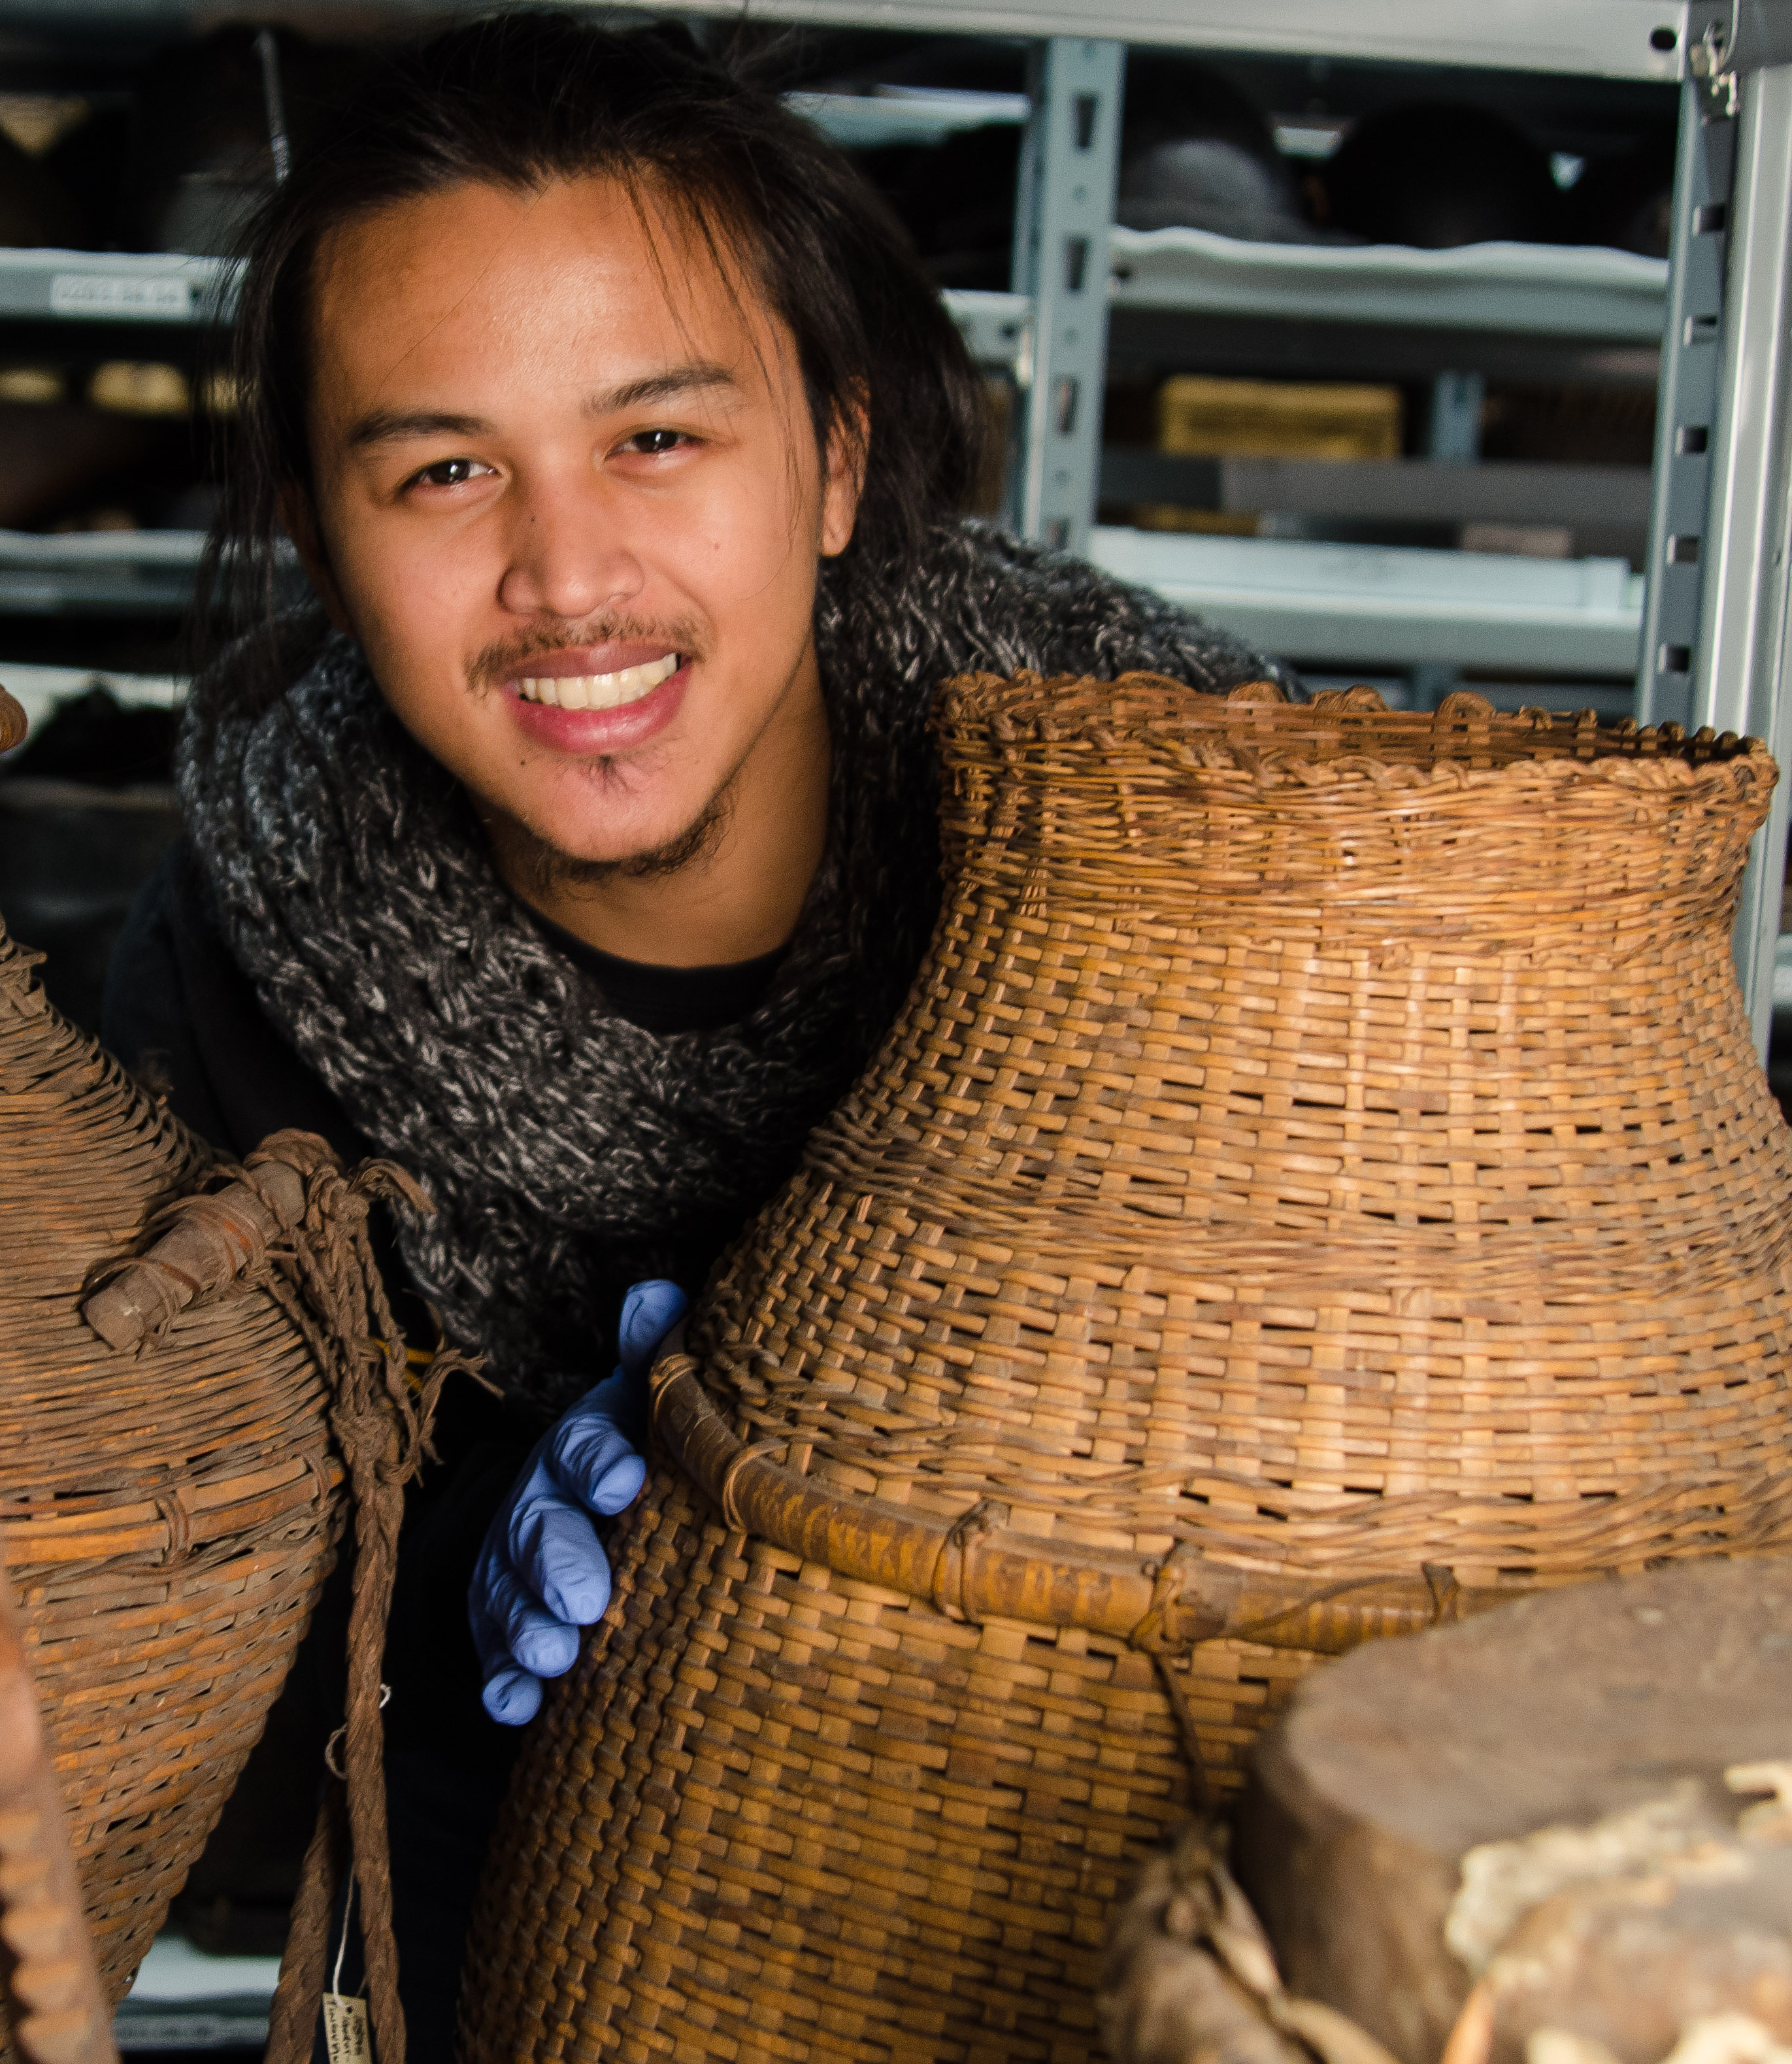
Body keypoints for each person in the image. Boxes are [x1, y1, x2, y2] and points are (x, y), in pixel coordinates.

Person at [99, 14, 1281, 2057]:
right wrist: (465, 1546)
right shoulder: (235, 952)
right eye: (445, 469)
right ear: (317, 527)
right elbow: (183, 1609)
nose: (563, 581)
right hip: (549, 1942)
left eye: (656, 438)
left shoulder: (1189, 827)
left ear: (831, 459)